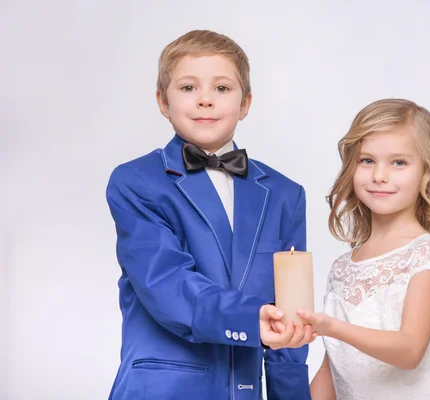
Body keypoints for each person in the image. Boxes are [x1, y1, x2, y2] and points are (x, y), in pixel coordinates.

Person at [105, 29, 314, 400]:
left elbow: (292, 323)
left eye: (222, 88)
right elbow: (167, 284)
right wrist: (252, 318)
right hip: (163, 390)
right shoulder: (135, 181)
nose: (205, 100)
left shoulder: (285, 194)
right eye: (188, 88)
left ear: (245, 103)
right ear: (162, 102)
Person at [301, 99, 430, 399]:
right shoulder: (342, 267)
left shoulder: (426, 256)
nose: (379, 175)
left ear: (427, 171)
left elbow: (410, 350)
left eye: (399, 162)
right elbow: (331, 370)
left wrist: (331, 327)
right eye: (367, 160)